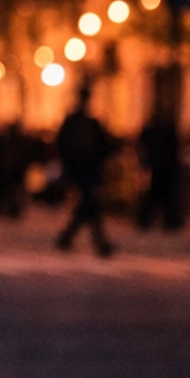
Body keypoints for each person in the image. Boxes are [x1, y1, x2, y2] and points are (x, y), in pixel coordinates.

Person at [54, 85, 114, 256]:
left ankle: (68, 237)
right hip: (81, 168)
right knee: (90, 204)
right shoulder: (80, 122)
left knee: (89, 205)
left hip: (86, 168)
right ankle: (98, 241)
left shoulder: (86, 122)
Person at [137, 103, 183, 231]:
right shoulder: (165, 131)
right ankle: (166, 221)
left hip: (160, 167)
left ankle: (149, 220)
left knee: (157, 195)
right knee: (160, 195)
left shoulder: (157, 131)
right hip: (163, 168)